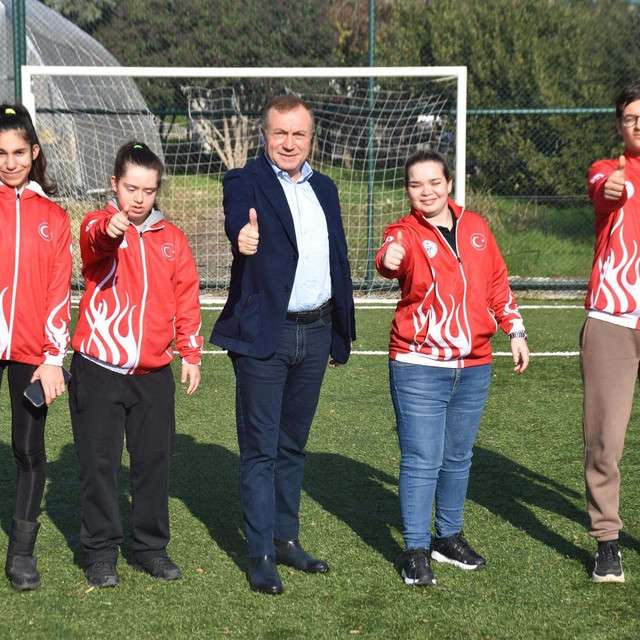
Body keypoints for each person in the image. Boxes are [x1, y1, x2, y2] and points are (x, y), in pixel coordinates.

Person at [211, 95, 355, 595]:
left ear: (311, 138)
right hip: (265, 337)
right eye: (280, 133)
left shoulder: (326, 188)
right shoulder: (244, 180)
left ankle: (286, 539)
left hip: (315, 332)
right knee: (261, 450)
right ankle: (261, 554)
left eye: (298, 134)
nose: (289, 143)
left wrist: (340, 331)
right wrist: (242, 236)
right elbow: (237, 219)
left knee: (292, 445)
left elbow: (338, 260)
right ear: (265, 135)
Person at [375, 150, 529, 587]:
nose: (426, 191)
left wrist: (515, 330)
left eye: (434, 182)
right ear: (407, 190)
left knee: (458, 457)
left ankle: (448, 537)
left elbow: (497, 283)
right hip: (419, 365)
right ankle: (415, 549)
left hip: (474, 365)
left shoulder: (476, 226)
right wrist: (389, 258)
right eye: (416, 184)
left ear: (448, 184)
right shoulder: (403, 232)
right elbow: (389, 257)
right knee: (422, 459)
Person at [69, 141, 203, 588]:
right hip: (98, 370)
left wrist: (191, 352)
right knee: (100, 465)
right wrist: (113, 228)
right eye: (131, 188)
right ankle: (101, 552)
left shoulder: (173, 240)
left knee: (153, 463)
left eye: (148, 190)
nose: (139, 199)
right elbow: (96, 239)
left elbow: (186, 298)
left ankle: (150, 548)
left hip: (152, 376)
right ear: (115, 185)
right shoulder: (98, 224)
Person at [0, 104, 72, 590]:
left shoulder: (54, 216)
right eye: (1, 153)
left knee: (27, 448)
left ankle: (22, 553)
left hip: (32, 351)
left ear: (34, 152)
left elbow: (57, 291)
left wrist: (52, 359)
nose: (10, 162)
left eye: (18, 152)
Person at [581, 80, 640, 583]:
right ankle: (607, 541)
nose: (639, 125)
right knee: (605, 439)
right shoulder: (607, 169)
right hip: (612, 320)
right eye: (631, 117)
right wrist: (613, 188)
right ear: (620, 125)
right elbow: (604, 189)